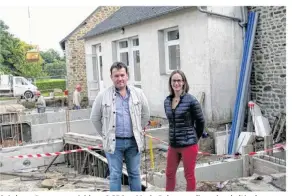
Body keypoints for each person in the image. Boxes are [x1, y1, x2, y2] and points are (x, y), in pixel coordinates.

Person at [90, 62, 150, 191]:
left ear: (127, 76)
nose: (120, 78)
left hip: (133, 142)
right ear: (111, 77)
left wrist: (138, 130)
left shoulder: (138, 93)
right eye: (116, 76)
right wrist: (106, 134)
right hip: (114, 143)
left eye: (122, 75)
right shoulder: (103, 95)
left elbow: (146, 115)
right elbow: (94, 118)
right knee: (115, 175)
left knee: (134, 174)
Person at [164, 70, 205, 191]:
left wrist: (194, 138)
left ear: (183, 83)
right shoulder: (167, 101)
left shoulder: (191, 100)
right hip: (173, 144)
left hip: (188, 145)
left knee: (189, 175)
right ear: (171, 83)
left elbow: (201, 121)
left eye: (179, 80)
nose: (176, 83)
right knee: (169, 174)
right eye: (174, 80)